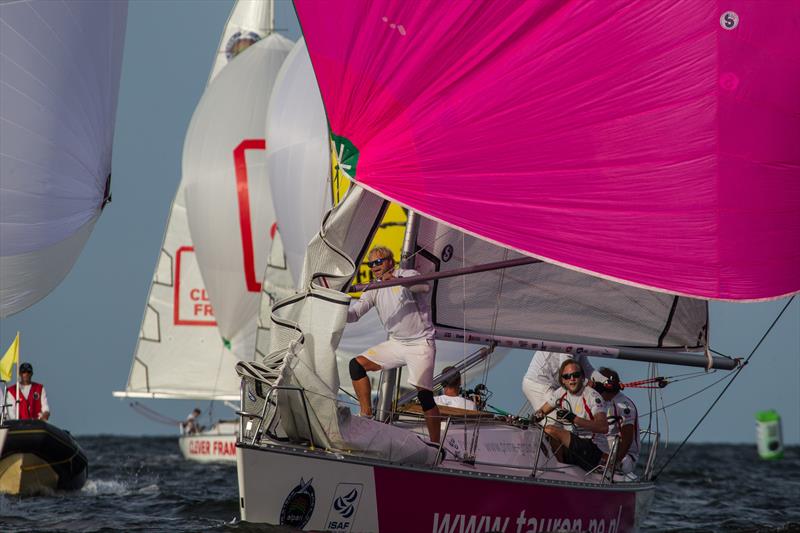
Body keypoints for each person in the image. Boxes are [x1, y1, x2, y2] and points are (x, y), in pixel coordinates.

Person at [347, 246, 442, 443]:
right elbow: (354, 315)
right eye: (371, 264)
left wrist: (397, 281)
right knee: (356, 365)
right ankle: (366, 416)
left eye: (378, 262)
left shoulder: (407, 274)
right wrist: (336, 307)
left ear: (390, 261)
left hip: (420, 344)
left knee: (425, 397)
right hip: (397, 343)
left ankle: (435, 444)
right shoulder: (374, 288)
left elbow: (423, 287)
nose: (374, 267)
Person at [533, 359, 609, 472]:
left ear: (583, 378)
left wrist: (574, 418)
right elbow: (542, 412)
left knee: (550, 429)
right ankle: (560, 468)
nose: (572, 379)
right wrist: (532, 419)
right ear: (562, 380)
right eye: (567, 376)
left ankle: (559, 470)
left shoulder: (592, 396)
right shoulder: (561, 392)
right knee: (543, 434)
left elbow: (603, 427)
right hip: (576, 446)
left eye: (576, 375)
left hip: (593, 448)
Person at [595, 367, 640, 474]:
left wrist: (613, 462)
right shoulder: (600, 401)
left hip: (624, 457)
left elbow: (627, 440)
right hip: (601, 451)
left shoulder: (625, 407)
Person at [522, 350, 596, 414]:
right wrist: (587, 382)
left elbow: (588, 370)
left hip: (553, 388)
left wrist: (605, 381)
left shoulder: (579, 344)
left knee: (568, 420)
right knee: (560, 423)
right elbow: (565, 366)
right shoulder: (571, 338)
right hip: (539, 383)